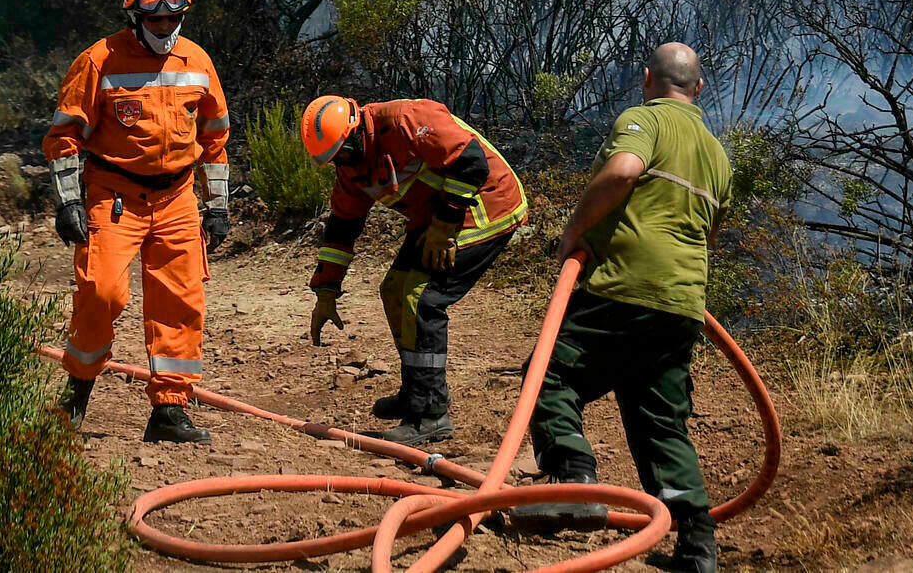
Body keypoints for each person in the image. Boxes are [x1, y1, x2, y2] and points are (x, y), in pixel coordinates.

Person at [517, 42, 734, 573]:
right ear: (698, 88)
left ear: (646, 80)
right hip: (683, 302)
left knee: (547, 374)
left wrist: (574, 233)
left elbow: (622, 172)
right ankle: (697, 544)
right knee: (659, 419)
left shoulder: (645, 119)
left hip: (621, 286)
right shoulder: (718, 154)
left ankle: (574, 478)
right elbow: (712, 231)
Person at [42, 0, 232, 444]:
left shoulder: (198, 62)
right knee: (101, 293)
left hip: (177, 199)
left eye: (173, 18)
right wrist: (69, 202)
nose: (164, 25)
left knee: (181, 301)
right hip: (115, 196)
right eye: (155, 18)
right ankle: (76, 395)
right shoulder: (98, 61)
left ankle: (169, 410)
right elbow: (64, 136)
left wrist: (218, 205)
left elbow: (215, 137)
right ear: (135, 17)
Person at [298, 94, 529, 445]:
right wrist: (326, 291)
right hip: (435, 219)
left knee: (420, 297)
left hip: (487, 205)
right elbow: (342, 226)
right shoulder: (351, 169)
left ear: (356, 130)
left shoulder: (407, 119)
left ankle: (431, 414)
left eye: (344, 153)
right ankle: (416, 392)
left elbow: (470, 162)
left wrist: (444, 226)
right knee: (393, 290)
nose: (342, 163)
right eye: (334, 160)